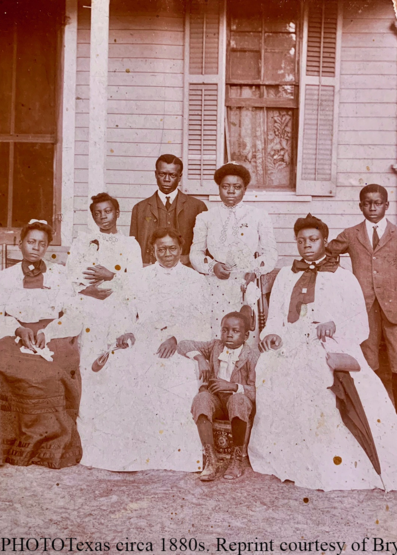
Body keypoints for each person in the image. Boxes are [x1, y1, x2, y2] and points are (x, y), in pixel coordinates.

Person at [248, 214, 397, 491]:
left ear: (325, 242)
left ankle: (334, 452)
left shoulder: (343, 278)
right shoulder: (285, 277)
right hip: (291, 342)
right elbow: (276, 318)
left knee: (317, 372)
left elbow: (360, 325)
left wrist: (334, 325)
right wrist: (272, 335)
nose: (307, 245)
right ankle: (284, 450)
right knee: (269, 365)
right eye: (302, 241)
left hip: (332, 343)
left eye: (313, 240)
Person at [78, 228, 210, 473]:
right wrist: (128, 331)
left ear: (180, 250)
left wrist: (176, 338)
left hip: (182, 344)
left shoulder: (195, 280)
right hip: (145, 338)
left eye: (172, 248)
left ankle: (169, 455)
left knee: (172, 372)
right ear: (153, 250)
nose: (167, 254)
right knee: (121, 366)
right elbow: (129, 312)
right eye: (161, 249)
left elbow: (202, 320)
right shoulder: (141, 277)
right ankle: (129, 452)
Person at [0, 220, 84, 469]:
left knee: (51, 372)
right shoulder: (4, 277)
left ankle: (44, 447)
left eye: (42, 243)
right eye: (31, 242)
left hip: (51, 334)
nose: (36, 248)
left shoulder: (60, 275)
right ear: (20, 243)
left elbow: (73, 313)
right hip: (14, 332)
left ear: (48, 247)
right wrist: (17, 328)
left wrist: (49, 332)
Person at [326, 184, 397, 424]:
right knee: (368, 362)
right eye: (367, 203)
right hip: (364, 309)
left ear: (386, 206)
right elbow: (328, 253)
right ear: (360, 206)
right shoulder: (351, 234)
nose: (372, 207)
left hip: (395, 311)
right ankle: (377, 417)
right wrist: (340, 274)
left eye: (377, 203)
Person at [190, 162, 277, 339]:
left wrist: (255, 270)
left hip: (246, 283)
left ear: (245, 189)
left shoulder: (259, 216)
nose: (231, 191)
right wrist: (212, 266)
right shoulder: (206, 218)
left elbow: (270, 253)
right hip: (216, 284)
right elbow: (195, 253)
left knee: (244, 335)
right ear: (219, 188)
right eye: (225, 187)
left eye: (237, 187)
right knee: (217, 334)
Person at [178, 309, 259, 482]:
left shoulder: (252, 356)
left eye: (235, 331)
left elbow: (255, 392)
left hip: (238, 404)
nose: (229, 335)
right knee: (201, 398)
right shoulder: (215, 346)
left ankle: (237, 459)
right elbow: (183, 344)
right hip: (217, 402)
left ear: (246, 335)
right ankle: (211, 458)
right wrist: (200, 358)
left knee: (238, 400)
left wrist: (232, 386)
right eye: (225, 329)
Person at [66, 193, 142, 365]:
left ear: (117, 212)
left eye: (108, 211)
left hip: (120, 301)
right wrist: (87, 290)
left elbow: (138, 281)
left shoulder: (129, 244)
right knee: (89, 352)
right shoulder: (83, 242)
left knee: (116, 355)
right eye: (97, 213)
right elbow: (70, 275)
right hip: (90, 301)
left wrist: (112, 276)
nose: (103, 216)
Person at [130, 154, 207, 266]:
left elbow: (205, 247)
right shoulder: (140, 208)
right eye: (162, 174)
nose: (166, 179)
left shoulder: (197, 207)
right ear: (156, 174)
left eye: (172, 175)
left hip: (185, 271)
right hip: (150, 272)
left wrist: (189, 258)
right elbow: (134, 248)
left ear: (180, 177)